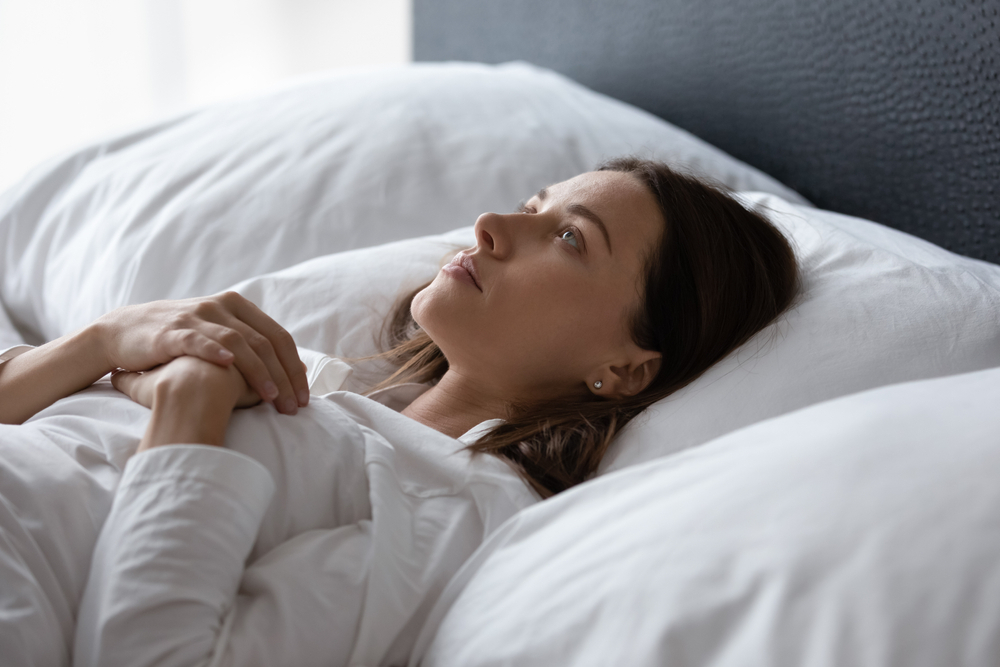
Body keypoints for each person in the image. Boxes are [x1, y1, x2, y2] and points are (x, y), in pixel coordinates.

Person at [0, 157, 797, 666]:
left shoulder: (454, 507)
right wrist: (99, 338)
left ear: (623, 369)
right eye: (531, 200)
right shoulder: (308, 372)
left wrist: (188, 401)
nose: (491, 224)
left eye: (569, 237)